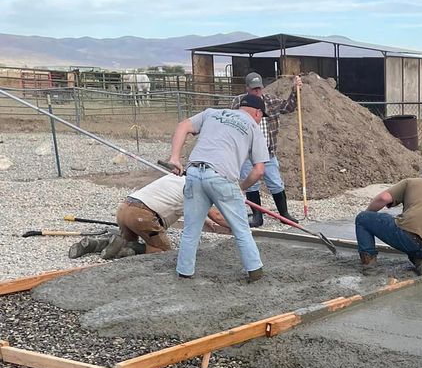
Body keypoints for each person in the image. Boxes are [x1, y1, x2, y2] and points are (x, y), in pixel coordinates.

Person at [166, 97, 269, 282]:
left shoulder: (211, 113)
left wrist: (175, 157)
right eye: (261, 116)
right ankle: (255, 271)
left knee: (191, 229)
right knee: (241, 229)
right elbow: (259, 171)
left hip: (194, 172)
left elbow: (183, 126)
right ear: (257, 113)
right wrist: (241, 187)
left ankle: (184, 272)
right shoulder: (254, 128)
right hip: (222, 176)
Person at [67, 173, 229, 261]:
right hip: (142, 215)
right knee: (163, 250)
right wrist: (238, 227)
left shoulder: (176, 179)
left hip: (124, 209)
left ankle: (96, 244)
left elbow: (190, 208)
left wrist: (204, 219)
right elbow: (218, 216)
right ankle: (127, 251)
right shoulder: (197, 189)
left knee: (130, 240)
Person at [231, 71, 301, 227]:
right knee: (252, 184)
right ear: (247, 88)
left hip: (268, 152)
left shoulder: (270, 101)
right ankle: (257, 216)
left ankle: (284, 214)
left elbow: (288, 107)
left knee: (276, 183)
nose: (257, 91)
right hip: (247, 153)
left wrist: (295, 91)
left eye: (259, 88)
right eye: (253, 89)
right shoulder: (238, 102)